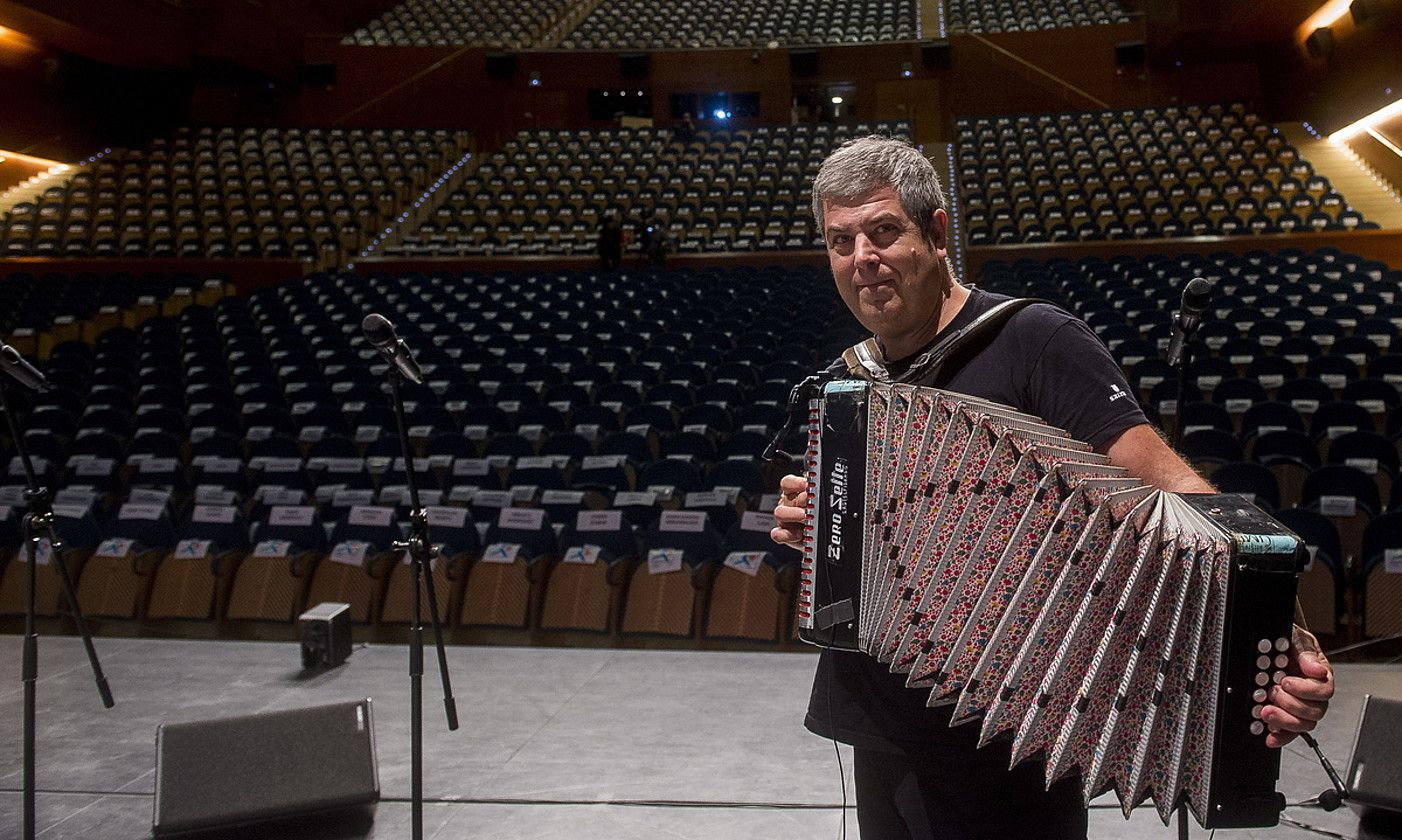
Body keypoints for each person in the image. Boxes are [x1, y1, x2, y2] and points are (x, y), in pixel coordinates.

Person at [770, 136, 1335, 840]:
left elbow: (1169, 487)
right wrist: (816, 528)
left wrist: (1278, 620)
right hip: (882, 723)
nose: (863, 259)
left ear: (938, 232)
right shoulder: (849, 380)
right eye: (840, 241)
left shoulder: (1034, 339)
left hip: (1009, 735)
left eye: (884, 231)